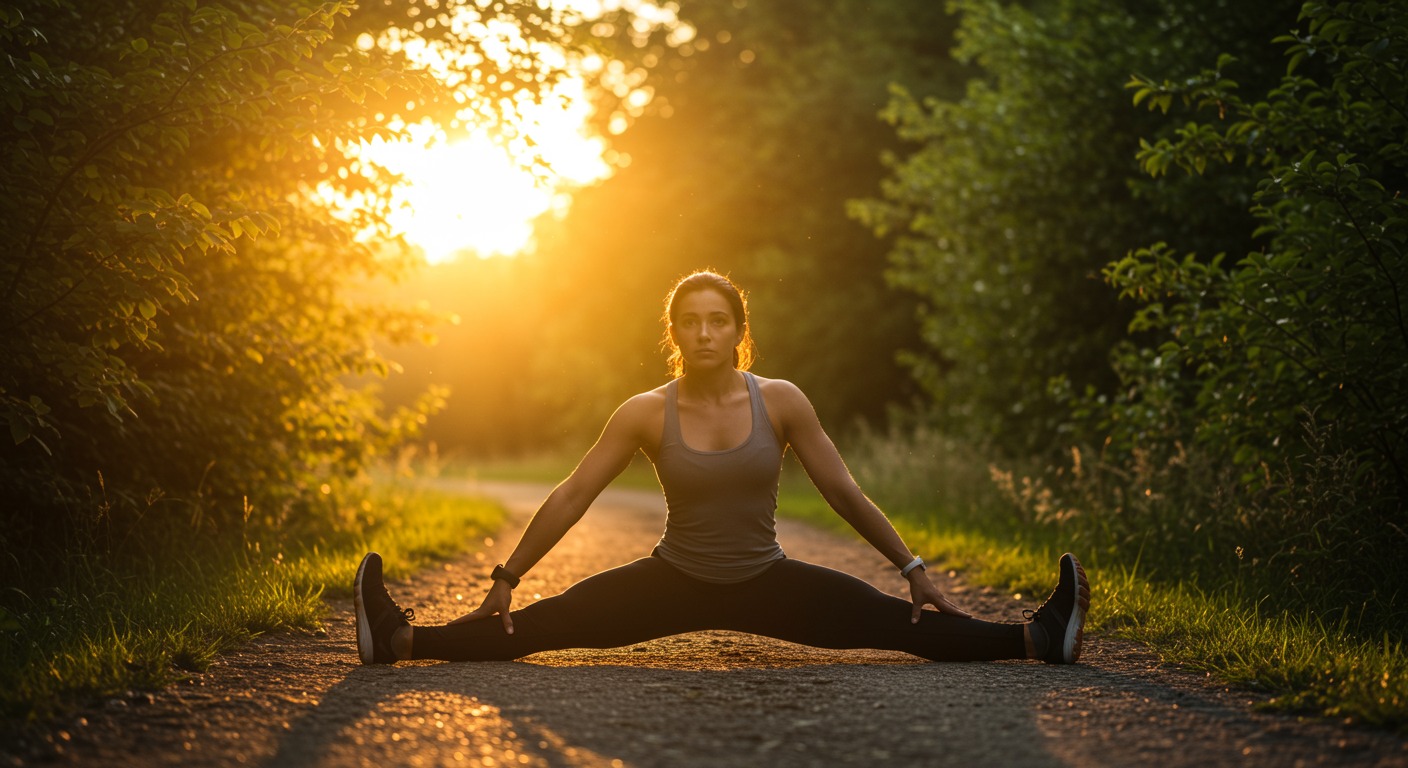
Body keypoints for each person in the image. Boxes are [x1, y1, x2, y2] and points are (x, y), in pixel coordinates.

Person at [354, 270, 1089, 666]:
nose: (704, 332)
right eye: (689, 322)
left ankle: (1035, 638)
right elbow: (575, 492)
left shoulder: (783, 401)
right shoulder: (644, 410)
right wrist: (507, 578)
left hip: (768, 581)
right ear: (673, 334)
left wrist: (914, 566)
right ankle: (400, 640)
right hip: (670, 582)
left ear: (739, 331)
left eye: (718, 320)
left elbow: (842, 491)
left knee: (902, 624)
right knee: (540, 627)